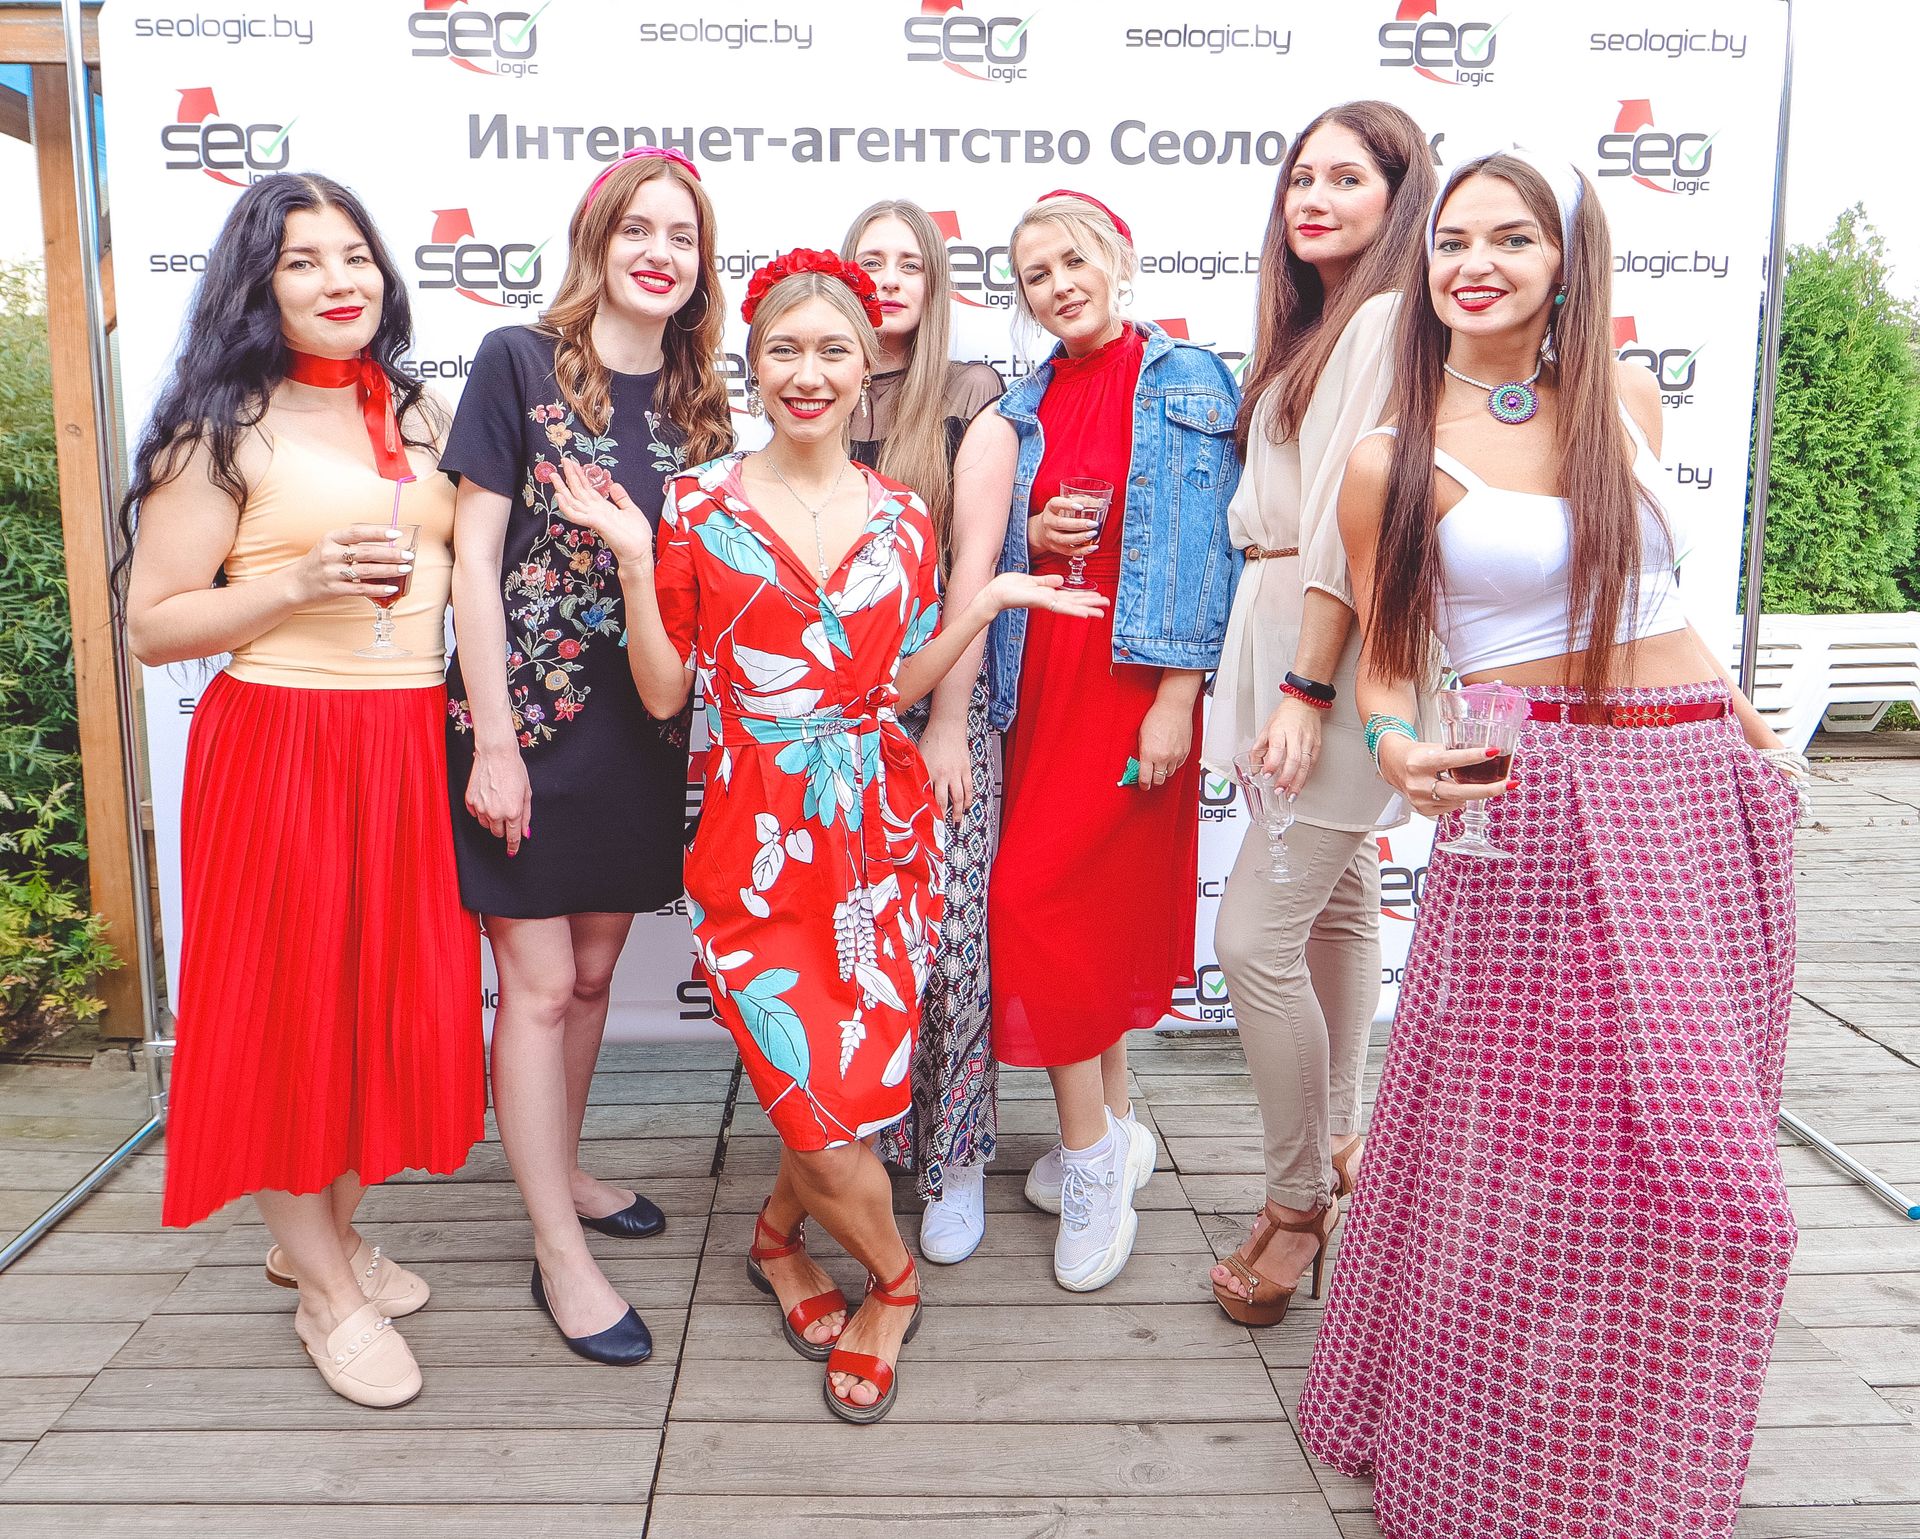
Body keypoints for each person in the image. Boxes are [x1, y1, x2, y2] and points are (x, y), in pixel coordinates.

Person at [1294, 149, 1804, 1539]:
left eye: (1513, 239)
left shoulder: (1624, 400)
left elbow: (1662, 600)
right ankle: (1485, 1451)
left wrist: (1751, 731)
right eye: (1453, 240)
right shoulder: (1394, 456)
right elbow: (1388, 669)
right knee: (1527, 1157)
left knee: (1709, 1175)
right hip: (1541, 804)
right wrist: (1399, 751)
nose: (1477, 264)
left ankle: (1631, 1447)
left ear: (1566, 260)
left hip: (1695, 795)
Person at [547, 248, 1103, 1422]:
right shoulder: (696, 503)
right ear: (753, 366)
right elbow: (663, 692)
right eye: (785, 351)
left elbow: (893, 686)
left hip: (883, 838)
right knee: (806, 1092)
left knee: (849, 1089)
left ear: (865, 369)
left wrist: (988, 603)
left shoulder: (903, 515)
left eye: (833, 351)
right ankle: (894, 1282)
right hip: (753, 838)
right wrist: (639, 563)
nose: (809, 372)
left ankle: (775, 1240)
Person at [122, 173, 483, 1408]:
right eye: (303, 261)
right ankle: (326, 1289)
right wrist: (292, 583)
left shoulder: (422, 411)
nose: (340, 280)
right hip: (282, 745)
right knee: (287, 1018)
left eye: (355, 255)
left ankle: (317, 1236)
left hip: (405, 744)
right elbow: (152, 627)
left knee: (381, 1009)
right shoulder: (217, 429)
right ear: (258, 287)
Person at [441, 147, 732, 1365]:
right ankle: (558, 1249)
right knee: (542, 986)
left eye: (683, 236)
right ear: (597, 240)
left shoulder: (703, 406)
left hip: (641, 729)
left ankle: (559, 1170)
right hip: (524, 724)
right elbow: (471, 561)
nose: (660, 253)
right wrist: (495, 745)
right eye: (638, 230)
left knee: (599, 974)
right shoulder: (518, 361)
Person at [1200, 102, 1435, 1326]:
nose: (1314, 197)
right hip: (1282, 622)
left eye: (1347, 178)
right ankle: (1341, 1147)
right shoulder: (1325, 321)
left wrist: (1305, 685)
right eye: (1301, 177)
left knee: (1252, 941)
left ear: (1401, 197)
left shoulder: (1388, 316)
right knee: (1338, 901)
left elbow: (1360, 521)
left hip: (1324, 648)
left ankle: (1295, 1203)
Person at [985, 191, 1242, 1292]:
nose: (1058, 285)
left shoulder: (1186, 378)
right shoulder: (1024, 400)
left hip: (1132, 681)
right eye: (1035, 274)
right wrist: (1029, 529)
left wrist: (1178, 696)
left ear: (1120, 259)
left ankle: (1090, 1160)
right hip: (1041, 674)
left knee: (1033, 904)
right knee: (1071, 916)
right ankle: (1119, 1127)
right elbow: (990, 542)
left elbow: (1212, 545)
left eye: (1073, 260)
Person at [840, 199, 1006, 1263]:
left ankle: (958, 1156)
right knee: (858, 939)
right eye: (872, 261)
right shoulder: (814, 383)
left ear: (936, 282)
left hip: (941, 704)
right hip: (833, 714)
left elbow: (974, 574)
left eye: (911, 262)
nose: (891, 279)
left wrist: (948, 721)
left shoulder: (970, 397)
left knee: (950, 941)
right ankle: (872, 1138)